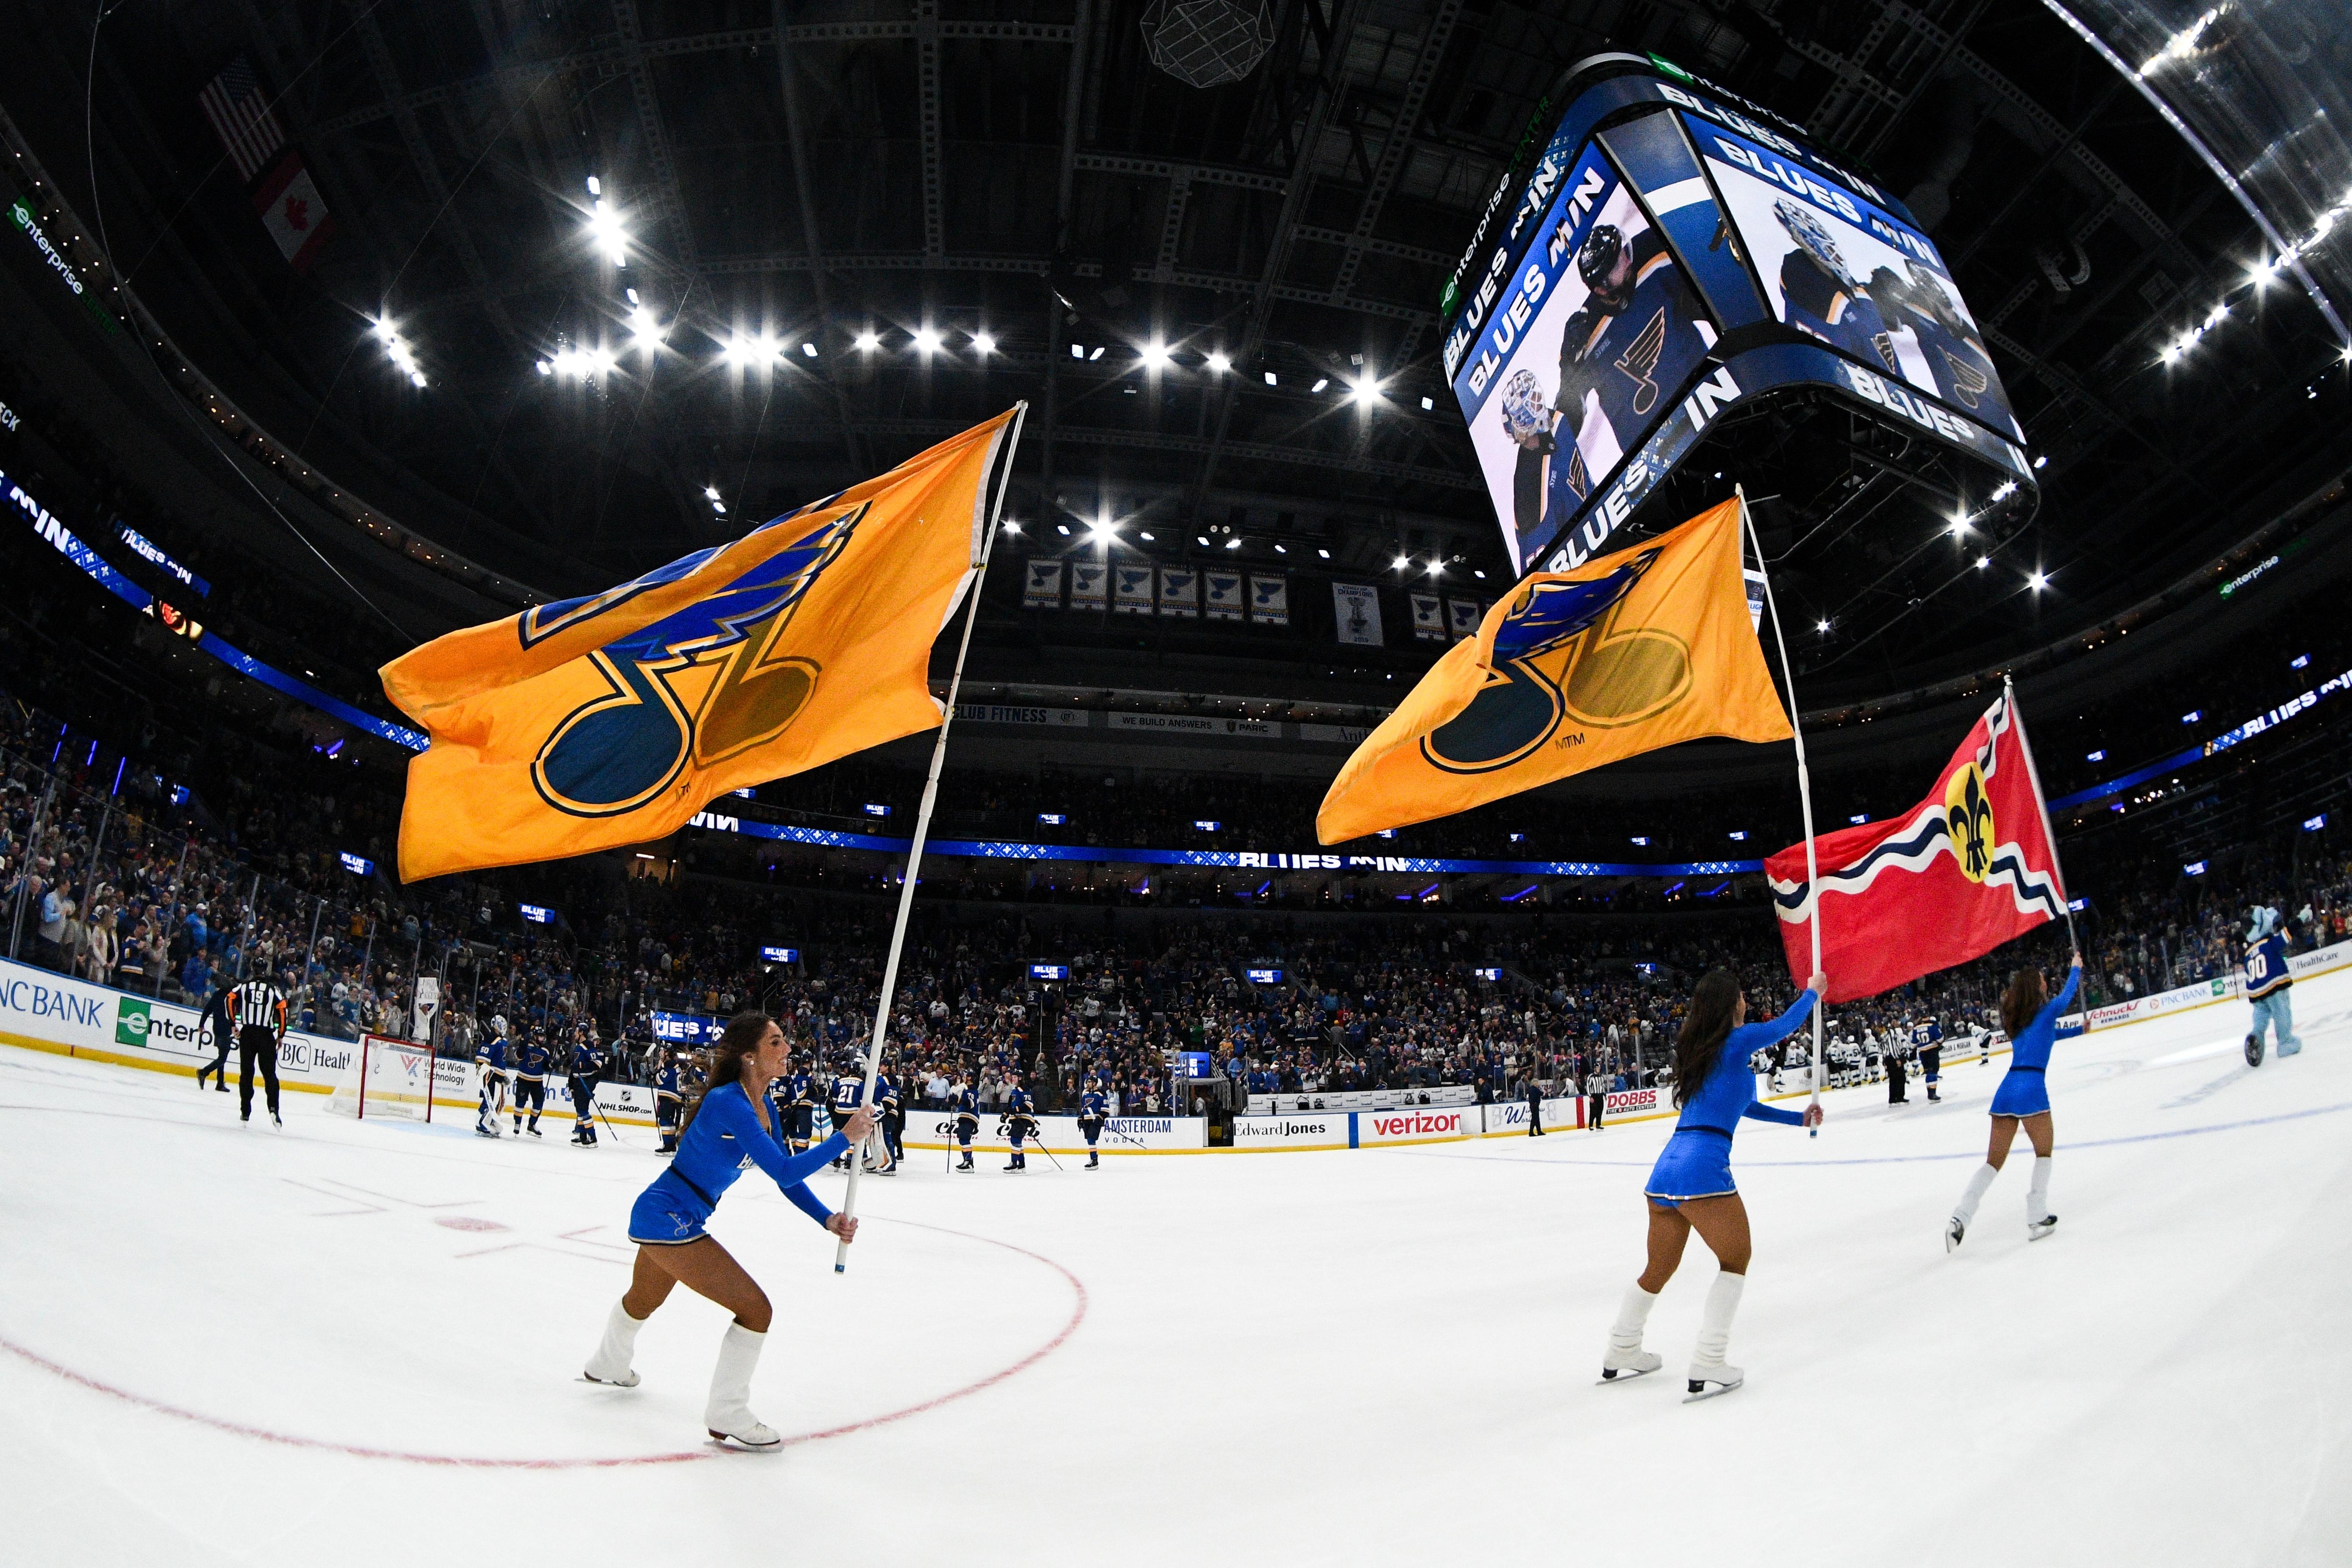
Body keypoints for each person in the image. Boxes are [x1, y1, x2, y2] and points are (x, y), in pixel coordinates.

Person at [580, 1012, 873, 1450]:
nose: (787, 1049)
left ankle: (607, 1362)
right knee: (757, 1310)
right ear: (750, 1057)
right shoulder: (728, 1102)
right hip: (667, 1214)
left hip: (675, 1214)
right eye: (776, 1043)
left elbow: (786, 1179)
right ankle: (727, 1411)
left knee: (643, 1299)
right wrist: (843, 1138)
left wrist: (827, 1218)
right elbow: (784, 1166)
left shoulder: (764, 1105)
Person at [1602, 968, 1826, 1399]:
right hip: (1703, 1169)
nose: (1746, 1001)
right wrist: (1811, 995)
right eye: (1742, 996)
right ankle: (1709, 1359)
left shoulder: (1704, 1056)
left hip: (1666, 1169)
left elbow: (1747, 1108)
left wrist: (1796, 1118)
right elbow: (1783, 1028)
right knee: (1736, 1259)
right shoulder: (1736, 1041)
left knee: (1659, 1268)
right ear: (1733, 1005)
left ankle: (1622, 1348)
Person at [1947, 952, 2081, 1251]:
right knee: (2044, 1153)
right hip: (2032, 1087)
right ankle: (2036, 1217)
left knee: (1993, 1162)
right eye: (2044, 981)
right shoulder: (2046, 1012)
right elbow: (2067, 997)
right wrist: (2075, 969)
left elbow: (2047, 1036)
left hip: (2007, 1088)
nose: (2047, 984)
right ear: (2037, 987)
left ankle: (1961, 1216)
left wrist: (2076, 1031)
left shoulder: (2016, 1019)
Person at [226, 970, 289, 1127]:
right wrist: (281, 1034)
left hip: (247, 1034)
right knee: (270, 1075)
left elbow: (229, 999)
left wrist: (233, 1024)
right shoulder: (272, 989)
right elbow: (282, 1009)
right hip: (266, 1036)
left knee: (247, 1073)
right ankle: (274, 1109)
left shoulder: (244, 987)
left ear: (253, 971)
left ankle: (245, 1110)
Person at [2243, 906, 2301, 1065]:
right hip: (2273, 985)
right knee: (2281, 1012)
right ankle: (2286, 1043)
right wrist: (2300, 920)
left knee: (2261, 1017)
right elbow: (2285, 936)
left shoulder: (2248, 953)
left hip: (2257, 991)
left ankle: (2257, 1037)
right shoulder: (2269, 943)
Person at [195, 979, 235, 1094]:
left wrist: (201, 1024)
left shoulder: (218, 995)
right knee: (222, 1058)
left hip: (217, 1027)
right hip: (225, 1028)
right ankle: (204, 1072)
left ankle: (220, 1083)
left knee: (221, 1056)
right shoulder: (230, 996)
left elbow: (207, 1009)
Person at [569, 1028, 607, 1147]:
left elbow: (598, 1064)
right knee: (580, 1109)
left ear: (581, 1033)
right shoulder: (578, 1047)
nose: (574, 1034)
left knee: (583, 1110)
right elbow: (574, 1068)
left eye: (576, 1032)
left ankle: (593, 1138)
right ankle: (582, 1135)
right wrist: (571, 1084)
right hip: (578, 1082)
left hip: (586, 1081)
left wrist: (582, 1066)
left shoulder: (588, 1047)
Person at [511, 1029, 550, 1137]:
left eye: (543, 1036)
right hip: (523, 1079)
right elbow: (519, 1056)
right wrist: (523, 1044)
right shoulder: (526, 1046)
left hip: (537, 1082)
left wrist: (552, 1065)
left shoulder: (545, 1050)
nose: (542, 1039)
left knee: (539, 1103)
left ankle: (532, 1125)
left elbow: (546, 1066)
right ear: (535, 1036)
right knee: (520, 1103)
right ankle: (517, 1123)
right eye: (540, 1036)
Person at [475, 1017, 509, 1138]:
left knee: (500, 1102)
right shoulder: (492, 1039)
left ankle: (490, 1120)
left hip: (498, 1076)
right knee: (490, 1101)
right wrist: (484, 1074)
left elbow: (501, 1060)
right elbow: (482, 1059)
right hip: (491, 1076)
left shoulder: (501, 1040)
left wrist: (504, 1075)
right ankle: (481, 1122)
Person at [1002, 1073, 1037, 1172]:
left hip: (1024, 1118)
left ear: (1020, 1078)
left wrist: (1016, 1110)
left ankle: (1014, 1164)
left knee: (1015, 1139)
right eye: (1012, 1077)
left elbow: (1029, 1104)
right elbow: (1011, 1105)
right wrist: (1005, 1114)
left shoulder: (1025, 1089)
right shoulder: (1015, 1091)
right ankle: (1021, 1165)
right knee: (1016, 1140)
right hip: (1016, 1118)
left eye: (1015, 1077)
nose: (1013, 1079)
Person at [653, 1050, 685, 1154]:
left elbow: (660, 1080)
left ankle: (668, 1146)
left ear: (668, 1056)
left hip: (668, 1097)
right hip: (675, 1098)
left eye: (663, 1053)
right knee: (670, 1122)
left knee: (665, 1121)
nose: (661, 1055)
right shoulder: (676, 1067)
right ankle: (671, 1145)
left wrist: (655, 1074)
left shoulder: (670, 1066)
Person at [951, 1072, 980, 1172]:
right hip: (965, 1117)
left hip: (969, 1118)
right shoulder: (967, 1089)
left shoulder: (972, 1090)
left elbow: (971, 1104)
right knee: (962, 1139)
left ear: (969, 1078)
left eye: (965, 1077)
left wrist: (958, 1100)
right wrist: (956, 1101)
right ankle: (966, 1161)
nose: (963, 1078)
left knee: (965, 1139)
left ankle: (969, 1163)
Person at [1078, 1076, 1108, 1169]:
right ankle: (1094, 1159)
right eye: (1087, 1082)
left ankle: (1094, 1160)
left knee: (1091, 1139)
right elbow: (1083, 1108)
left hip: (1096, 1121)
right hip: (1087, 1120)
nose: (1088, 1084)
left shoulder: (1101, 1093)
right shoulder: (1086, 1093)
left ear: (1095, 1083)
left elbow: (1106, 1109)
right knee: (1090, 1141)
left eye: (1090, 1082)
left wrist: (1100, 1118)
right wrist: (1080, 1118)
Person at [1915, 1014, 1945, 1102]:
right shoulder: (1932, 1026)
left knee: (1928, 1072)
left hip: (1922, 1053)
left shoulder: (1916, 1028)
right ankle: (1933, 1094)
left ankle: (1930, 1093)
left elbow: (1913, 1043)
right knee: (1933, 1072)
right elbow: (1940, 1039)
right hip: (1932, 1052)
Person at [1524, 1073, 1545, 1137]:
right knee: (1534, 1119)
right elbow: (1542, 1094)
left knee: (1536, 1119)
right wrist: (1544, 1092)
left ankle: (1539, 1131)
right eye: (1537, 1083)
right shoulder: (1535, 1089)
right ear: (1535, 1083)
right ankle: (1531, 1132)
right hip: (1535, 1106)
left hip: (1533, 1106)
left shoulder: (1531, 1089)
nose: (1538, 1084)